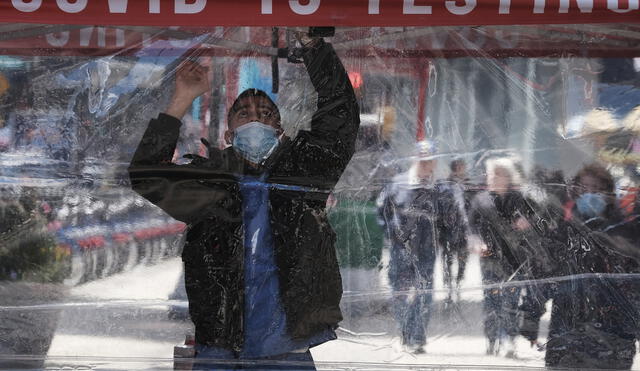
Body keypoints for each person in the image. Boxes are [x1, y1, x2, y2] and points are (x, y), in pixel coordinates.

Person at [128, 32, 359, 370]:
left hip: (287, 347)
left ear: (280, 131)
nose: (255, 120)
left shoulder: (303, 174)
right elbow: (147, 176)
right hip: (219, 347)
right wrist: (182, 99)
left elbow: (340, 116)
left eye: (266, 115)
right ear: (228, 133)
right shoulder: (210, 182)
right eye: (245, 113)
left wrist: (313, 47)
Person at [544, 163, 640, 370]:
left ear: (609, 192)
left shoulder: (625, 229)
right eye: (584, 188)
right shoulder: (564, 227)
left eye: (596, 189)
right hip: (568, 326)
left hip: (613, 328)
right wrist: (529, 314)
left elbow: (634, 280)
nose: (590, 194)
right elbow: (545, 273)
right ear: (575, 191)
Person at [376, 140, 439, 354]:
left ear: (434, 163)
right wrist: (391, 233)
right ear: (414, 160)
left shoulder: (438, 188)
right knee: (400, 293)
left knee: (424, 293)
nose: (424, 165)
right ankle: (405, 332)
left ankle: (418, 337)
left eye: (429, 161)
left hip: (427, 250)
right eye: (421, 160)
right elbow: (381, 210)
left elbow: (448, 218)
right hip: (401, 250)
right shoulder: (398, 183)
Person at [469, 161, 531, 357]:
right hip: (490, 259)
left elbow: (535, 221)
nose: (493, 178)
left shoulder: (519, 199)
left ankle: (509, 339)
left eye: (498, 175)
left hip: (514, 259)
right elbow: (471, 228)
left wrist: (527, 223)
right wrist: (476, 242)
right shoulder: (481, 200)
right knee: (491, 300)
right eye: (490, 175)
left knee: (512, 301)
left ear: (508, 177)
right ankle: (492, 339)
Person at [435, 159, 470, 303]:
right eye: (460, 167)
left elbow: (473, 204)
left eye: (463, 167)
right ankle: (449, 287)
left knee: (462, 259)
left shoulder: (468, 185)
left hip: (464, 228)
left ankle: (458, 282)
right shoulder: (444, 185)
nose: (462, 170)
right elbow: (439, 205)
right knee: (448, 259)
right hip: (448, 227)